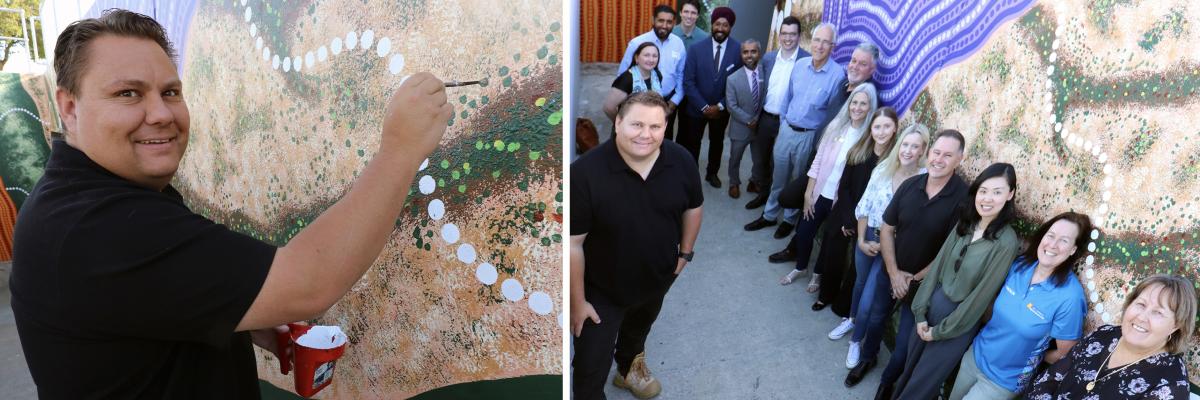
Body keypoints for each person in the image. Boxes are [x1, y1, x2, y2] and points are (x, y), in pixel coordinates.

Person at [9, 10, 451, 398]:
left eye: (170, 92)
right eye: (128, 93)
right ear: (68, 107)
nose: (161, 113)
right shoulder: (99, 226)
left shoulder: (80, 197)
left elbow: (137, 300)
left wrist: (238, 312)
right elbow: (309, 283)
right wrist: (400, 150)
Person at [570, 91, 704, 400]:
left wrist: (685, 253)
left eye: (655, 127)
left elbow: (693, 207)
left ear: (665, 127)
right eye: (636, 125)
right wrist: (578, 302)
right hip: (601, 290)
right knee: (590, 365)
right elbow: (573, 245)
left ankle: (628, 370)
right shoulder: (584, 174)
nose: (646, 135)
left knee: (638, 331)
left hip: (657, 278)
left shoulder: (681, 160)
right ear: (617, 122)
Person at [891, 162, 1023, 399]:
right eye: (983, 191)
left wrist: (939, 332)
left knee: (922, 384)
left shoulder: (1006, 242)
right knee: (909, 371)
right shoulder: (967, 222)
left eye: (997, 192)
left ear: (1010, 194)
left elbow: (980, 298)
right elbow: (937, 268)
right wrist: (920, 312)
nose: (988, 198)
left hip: (957, 323)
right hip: (931, 305)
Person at [948, 212, 1092, 399]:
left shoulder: (1070, 297)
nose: (1053, 245)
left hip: (1004, 381)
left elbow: (1066, 352)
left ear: (1073, 250)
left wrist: (1034, 357)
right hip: (974, 357)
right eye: (1050, 235)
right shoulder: (1021, 265)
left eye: (1064, 241)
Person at [872, 129, 971, 400]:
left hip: (922, 287)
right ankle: (866, 359)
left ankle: (886, 382)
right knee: (874, 318)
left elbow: (948, 254)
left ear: (959, 159)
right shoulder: (910, 185)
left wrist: (911, 279)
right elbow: (887, 227)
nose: (939, 159)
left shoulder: (963, 200)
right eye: (936, 152)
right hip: (890, 272)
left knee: (903, 348)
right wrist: (894, 274)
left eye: (948, 155)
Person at [843, 123, 929, 387]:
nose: (908, 150)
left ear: (924, 150)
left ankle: (857, 344)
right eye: (905, 144)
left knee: (870, 303)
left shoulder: (925, 178)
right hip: (870, 236)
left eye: (915, 146)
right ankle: (857, 336)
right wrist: (860, 240)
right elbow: (864, 206)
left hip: (893, 249)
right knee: (861, 286)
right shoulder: (883, 168)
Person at [744, 22, 843, 240]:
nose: (820, 45)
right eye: (817, 40)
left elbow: (832, 115)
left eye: (826, 42)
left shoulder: (838, 75)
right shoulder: (800, 65)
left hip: (809, 136)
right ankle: (769, 214)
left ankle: (789, 219)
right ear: (811, 40)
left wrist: (818, 143)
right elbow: (788, 97)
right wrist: (784, 124)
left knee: (797, 180)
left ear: (833, 46)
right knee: (779, 177)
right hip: (787, 129)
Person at [1024, 274, 1195, 399]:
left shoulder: (1171, 387)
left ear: (1176, 325)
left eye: (1158, 312)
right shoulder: (1104, 335)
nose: (1142, 317)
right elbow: (1049, 379)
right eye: (1141, 304)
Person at [774, 83, 877, 287]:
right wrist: (808, 193)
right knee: (804, 233)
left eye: (863, 104)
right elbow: (818, 161)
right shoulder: (836, 126)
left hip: (841, 201)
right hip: (821, 192)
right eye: (854, 102)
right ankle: (801, 267)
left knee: (829, 241)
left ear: (870, 107)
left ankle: (817, 274)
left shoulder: (868, 139)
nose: (857, 107)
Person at [814, 107, 899, 333]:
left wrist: (859, 223)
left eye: (886, 127)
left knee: (857, 269)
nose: (881, 132)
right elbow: (846, 187)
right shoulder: (858, 152)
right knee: (833, 248)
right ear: (870, 129)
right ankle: (826, 295)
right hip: (846, 211)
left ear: (895, 129)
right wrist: (848, 219)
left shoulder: (895, 160)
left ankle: (845, 307)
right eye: (877, 127)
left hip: (872, 221)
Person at [745, 16, 809, 209]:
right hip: (766, 117)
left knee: (780, 164)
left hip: (788, 122)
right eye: (784, 34)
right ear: (779, 35)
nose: (787, 38)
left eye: (792, 34)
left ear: (799, 36)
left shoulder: (806, 61)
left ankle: (778, 201)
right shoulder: (769, 58)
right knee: (762, 159)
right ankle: (763, 195)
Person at [680, 6, 742, 187]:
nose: (720, 28)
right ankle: (690, 175)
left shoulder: (738, 50)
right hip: (696, 108)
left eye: (725, 25)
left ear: (730, 27)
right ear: (711, 24)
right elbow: (688, 82)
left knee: (717, 142)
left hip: (721, 111)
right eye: (717, 24)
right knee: (693, 143)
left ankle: (712, 173)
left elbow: (737, 84)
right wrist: (704, 107)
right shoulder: (696, 49)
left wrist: (721, 106)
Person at [618, 4, 686, 140]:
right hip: (639, 101)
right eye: (661, 20)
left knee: (664, 139)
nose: (664, 25)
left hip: (668, 101)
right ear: (653, 20)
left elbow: (681, 74)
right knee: (640, 138)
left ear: (674, 23)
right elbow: (622, 74)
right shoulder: (637, 43)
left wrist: (674, 101)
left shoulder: (678, 44)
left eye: (669, 22)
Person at [723, 39, 764, 199]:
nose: (749, 55)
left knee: (759, 159)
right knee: (735, 158)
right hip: (740, 127)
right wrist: (749, 120)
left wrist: (758, 119)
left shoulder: (765, 73)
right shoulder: (732, 79)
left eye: (753, 51)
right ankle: (734, 183)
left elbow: (766, 98)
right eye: (745, 52)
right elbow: (731, 106)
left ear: (758, 53)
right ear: (741, 55)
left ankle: (754, 181)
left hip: (760, 126)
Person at [604, 42, 663, 121]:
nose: (651, 59)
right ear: (636, 58)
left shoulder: (657, 75)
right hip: (630, 129)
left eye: (655, 56)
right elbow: (608, 108)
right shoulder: (627, 79)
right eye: (646, 55)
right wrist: (621, 124)